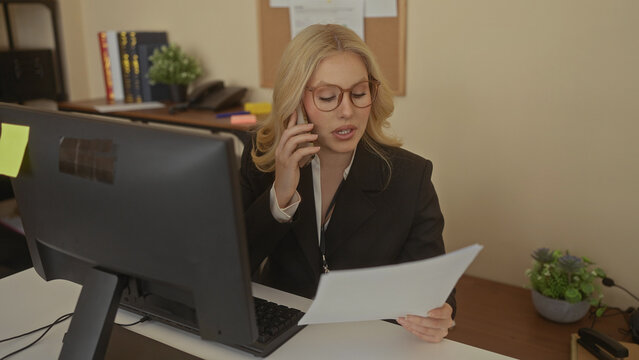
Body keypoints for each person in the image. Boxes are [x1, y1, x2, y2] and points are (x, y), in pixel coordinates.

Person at [240, 24, 455, 343]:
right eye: (328, 96)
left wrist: (440, 313)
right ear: (295, 102)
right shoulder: (262, 154)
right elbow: (233, 266)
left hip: (367, 338)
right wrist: (281, 193)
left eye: (359, 93)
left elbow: (435, 286)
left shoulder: (410, 176)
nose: (347, 111)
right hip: (281, 332)